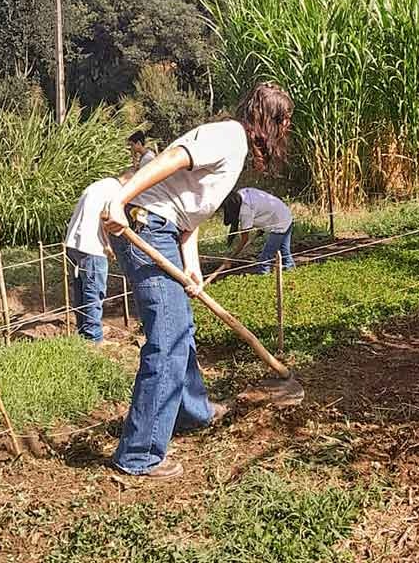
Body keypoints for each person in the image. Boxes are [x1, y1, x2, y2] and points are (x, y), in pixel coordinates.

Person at [103, 82, 294, 480]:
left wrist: (193, 269)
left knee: (181, 327)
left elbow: (188, 218)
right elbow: (172, 158)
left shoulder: (235, 149)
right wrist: (120, 201)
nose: (285, 132)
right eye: (284, 123)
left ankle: (192, 412)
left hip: (166, 231)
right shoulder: (227, 135)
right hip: (147, 227)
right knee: (168, 340)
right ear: (270, 122)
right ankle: (139, 455)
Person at [63, 165, 137, 345]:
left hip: (73, 243)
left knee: (81, 289)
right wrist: (109, 245)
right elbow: (107, 218)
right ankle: (93, 338)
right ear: (130, 180)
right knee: (94, 292)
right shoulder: (116, 192)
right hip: (92, 246)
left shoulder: (99, 186)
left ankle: (83, 334)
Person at [218, 187, 295, 274]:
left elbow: (244, 240)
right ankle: (290, 270)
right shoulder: (241, 194)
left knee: (265, 258)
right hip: (284, 213)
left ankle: (263, 275)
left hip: (280, 222)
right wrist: (261, 229)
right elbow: (260, 208)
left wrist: (231, 258)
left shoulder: (245, 212)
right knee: (284, 251)